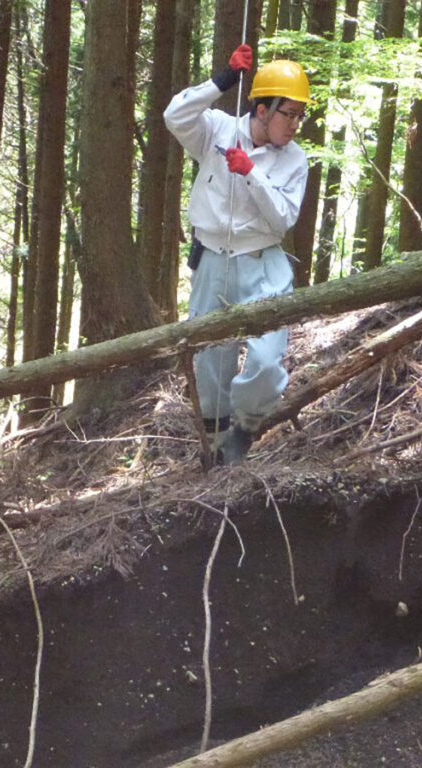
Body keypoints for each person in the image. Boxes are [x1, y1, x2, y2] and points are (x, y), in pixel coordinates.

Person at [164, 44, 312, 464]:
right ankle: (215, 448)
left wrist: (251, 174)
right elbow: (174, 116)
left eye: (301, 115)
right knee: (211, 363)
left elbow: (282, 219)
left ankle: (246, 426)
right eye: (289, 114)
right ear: (263, 110)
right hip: (212, 260)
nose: (295, 125)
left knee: (266, 361)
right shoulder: (216, 130)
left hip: (263, 265)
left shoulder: (294, 161)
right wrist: (222, 79)